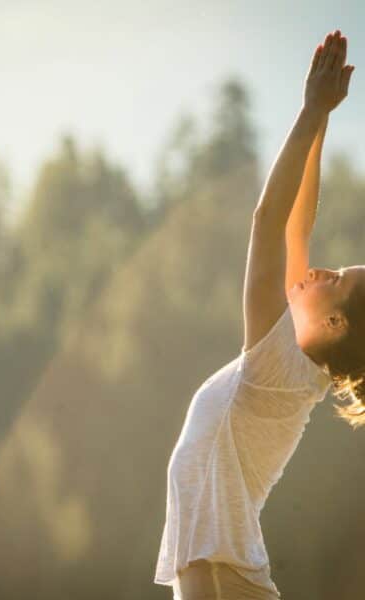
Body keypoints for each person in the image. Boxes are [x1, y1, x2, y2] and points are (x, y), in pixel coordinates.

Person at [154, 29, 362, 599]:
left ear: (337, 323)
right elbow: (297, 226)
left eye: (338, 281)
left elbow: (269, 219)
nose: (323, 271)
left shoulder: (280, 363)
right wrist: (320, 124)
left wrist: (308, 111)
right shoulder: (292, 359)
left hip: (222, 580)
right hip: (220, 575)